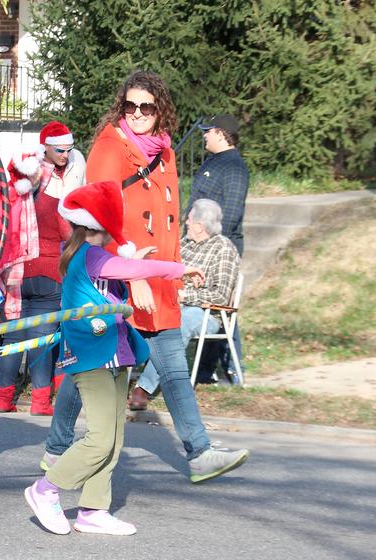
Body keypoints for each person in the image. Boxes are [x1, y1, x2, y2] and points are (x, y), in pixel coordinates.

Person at [41, 70, 249, 484]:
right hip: (118, 279)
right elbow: (98, 220)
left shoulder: (166, 152)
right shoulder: (109, 147)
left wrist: (171, 271)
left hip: (157, 282)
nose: (137, 114)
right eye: (130, 106)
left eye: (146, 107)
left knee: (170, 367)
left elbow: (168, 222)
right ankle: (58, 448)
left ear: (160, 111)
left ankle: (200, 452)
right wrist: (133, 277)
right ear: (123, 107)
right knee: (90, 362)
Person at [24, 181, 205, 536]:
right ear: (101, 224)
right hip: (92, 356)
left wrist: (133, 262)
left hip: (115, 353)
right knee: (100, 438)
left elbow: (119, 273)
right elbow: (127, 271)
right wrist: (179, 270)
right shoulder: (89, 255)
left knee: (115, 438)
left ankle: (92, 510)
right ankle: (45, 489)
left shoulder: (92, 255)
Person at [0, 121, 85, 415]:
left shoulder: (12, 199)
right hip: (47, 273)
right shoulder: (52, 200)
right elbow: (67, 235)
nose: (66, 155)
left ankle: (3, 399)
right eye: (61, 150)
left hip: (16, 274)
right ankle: (40, 401)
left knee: (12, 337)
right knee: (40, 339)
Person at [130, 198, 240, 409]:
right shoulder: (185, 245)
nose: (186, 223)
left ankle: (143, 387)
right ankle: (118, 374)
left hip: (207, 314)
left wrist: (184, 295)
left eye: (189, 219)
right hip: (174, 304)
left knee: (181, 322)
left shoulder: (223, 249)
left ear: (199, 226)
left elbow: (220, 296)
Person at [186, 114, 250, 384]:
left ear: (222, 134)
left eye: (208, 131)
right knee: (209, 309)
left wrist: (208, 243)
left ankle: (236, 370)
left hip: (220, 247)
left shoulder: (234, 167)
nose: (204, 136)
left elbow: (232, 213)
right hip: (200, 243)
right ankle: (204, 370)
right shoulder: (214, 161)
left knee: (220, 309)